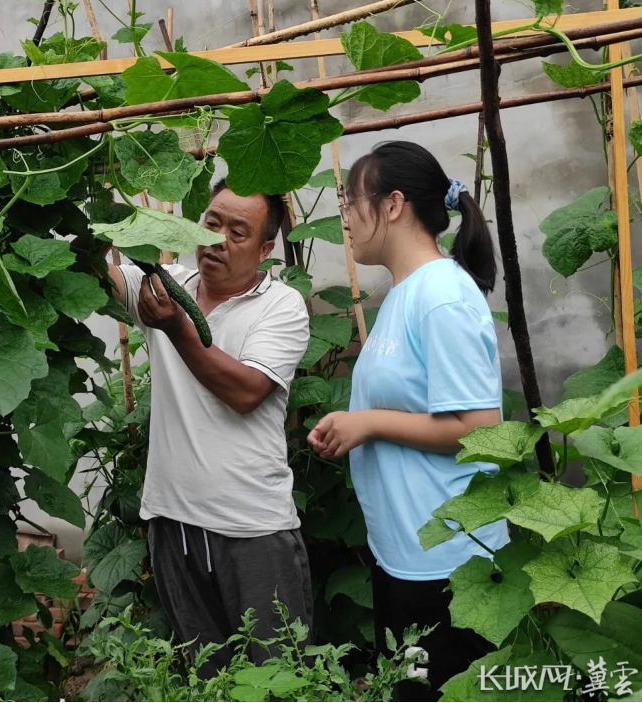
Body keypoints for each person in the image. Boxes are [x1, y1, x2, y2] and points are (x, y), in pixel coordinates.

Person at [308, 141, 509, 700]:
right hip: (405, 551)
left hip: (449, 563)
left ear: (393, 204)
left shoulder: (441, 296)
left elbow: (480, 429)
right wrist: (355, 422)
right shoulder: (404, 292)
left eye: (350, 203)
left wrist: (369, 424)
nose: (345, 218)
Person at [108, 179, 312, 671]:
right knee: (207, 676)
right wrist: (97, 219)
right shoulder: (165, 283)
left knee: (279, 676)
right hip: (172, 520)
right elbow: (98, 278)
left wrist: (178, 326)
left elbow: (246, 392)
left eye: (237, 233)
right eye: (211, 224)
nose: (218, 240)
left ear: (265, 249)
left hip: (251, 527)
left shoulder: (281, 305)